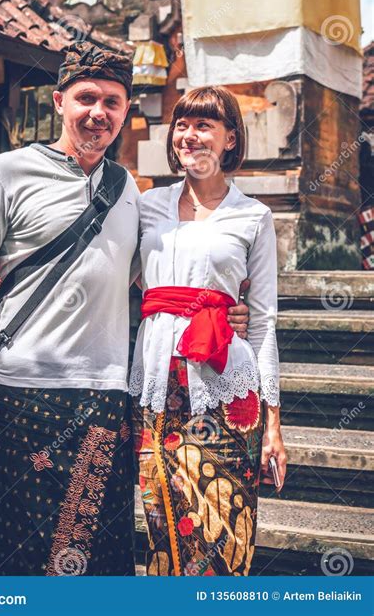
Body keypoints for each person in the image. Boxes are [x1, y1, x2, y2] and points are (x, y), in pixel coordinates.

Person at [0, 41, 250, 576]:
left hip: (105, 400)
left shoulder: (128, 189)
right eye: (86, 98)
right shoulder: (7, 172)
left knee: (92, 561)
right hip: (19, 395)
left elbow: (148, 274)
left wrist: (217, 307)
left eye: (112, 101)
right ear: (59, 101)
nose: (98, 112)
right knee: (6, 557)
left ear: (125, 112)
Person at [130, 85, 287, 577]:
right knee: (163, 523)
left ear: (229, 139)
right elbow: (117, 275)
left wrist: (274, 426)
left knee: (222, 530)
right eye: (182, 124)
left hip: (226, 389)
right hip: (156, 385)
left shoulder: (254, 217)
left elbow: (261, 321)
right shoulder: (145, 206)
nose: (189, 135)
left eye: (203, 125)